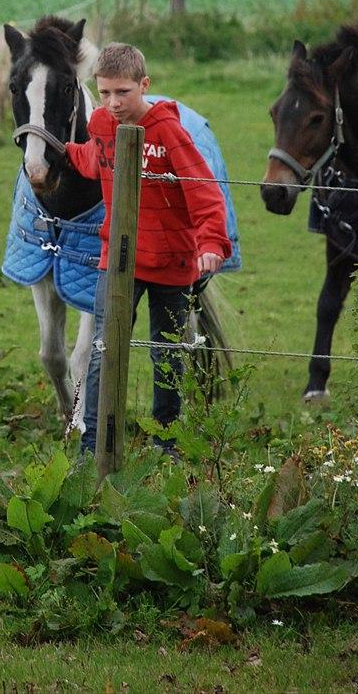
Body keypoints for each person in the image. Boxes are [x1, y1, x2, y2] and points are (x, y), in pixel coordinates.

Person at [64, 42, 231, 457]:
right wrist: (63, 152)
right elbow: (93, 160)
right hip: (117, 261)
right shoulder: (102, 124)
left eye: (123, 92)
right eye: (104, 93)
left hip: (171, 264)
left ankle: (167, 442)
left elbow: (203, 189)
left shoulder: (168, 132)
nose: (113, 103)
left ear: (144, 85)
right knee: (103, 349)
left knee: (166, 355)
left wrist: (211, 241)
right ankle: (94, 444)